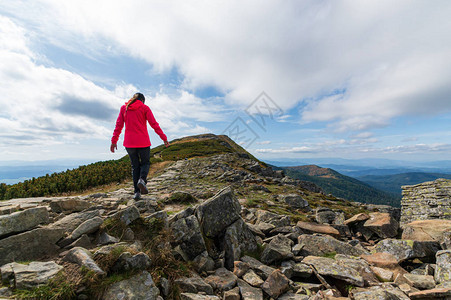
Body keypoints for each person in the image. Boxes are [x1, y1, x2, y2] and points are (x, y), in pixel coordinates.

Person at [110, 93, 170, 200]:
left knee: (135, 167)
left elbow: (118, 125)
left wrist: (114, 141)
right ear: (142, 100)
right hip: (143, 142)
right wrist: (164, 138)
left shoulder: (125, 108)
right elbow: (154, 124)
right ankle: (142, 180)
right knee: (145, 163)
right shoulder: (144, 108)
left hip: (129, 143)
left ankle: (137, 193)